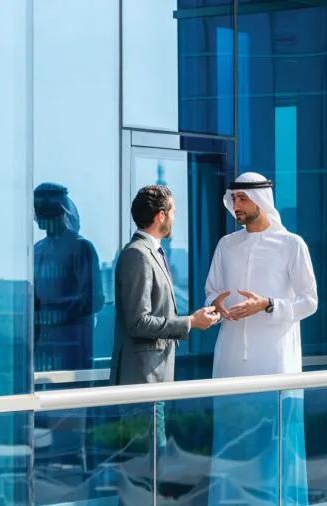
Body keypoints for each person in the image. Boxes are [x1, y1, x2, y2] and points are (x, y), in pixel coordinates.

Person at [204, 172, 317, 506]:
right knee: (231, 444)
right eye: (233, 199)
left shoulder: (291, 245)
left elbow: (310, 302)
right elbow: (211, 290)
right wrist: (216, 304)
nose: (236, 206)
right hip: (229, 360)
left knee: (275, 445)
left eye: (242, 199)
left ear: (261, 200)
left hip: (275, 361)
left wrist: (267, 304)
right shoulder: (227, 245)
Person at [109, 185, 220, 460]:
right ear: (161, 215)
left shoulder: (152, 253)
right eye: (173, 211)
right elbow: (138, 322)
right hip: (142, 384)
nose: (174, 217)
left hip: (154, 383)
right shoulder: (137, 254)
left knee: (152, 466)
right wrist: (189, 322)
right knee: (148, 469)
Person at [33, 182, 104, 372]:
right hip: (42, 351)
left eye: (40, 207)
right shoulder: (37, 250)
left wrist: (51, 308)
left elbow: (94, 299)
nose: (37, 214)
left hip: (72, 350)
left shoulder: (81, 248)